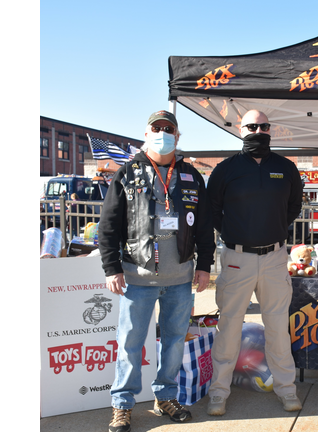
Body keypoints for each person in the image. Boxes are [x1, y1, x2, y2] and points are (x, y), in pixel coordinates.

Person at [98, 110, 215, 432]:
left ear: (177, 137)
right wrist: (111, 267)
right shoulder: (127, 173)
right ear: (146, 134)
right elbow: (108, 226)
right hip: (138, 277)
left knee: (175, 340)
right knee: (130, 343)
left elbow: (205, 226)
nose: (162, 132)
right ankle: (122, 404)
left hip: (180, 278)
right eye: (157, 128)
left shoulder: (191, 175)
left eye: (169, 129)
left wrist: (204, 266)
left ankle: (165, 396)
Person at [205, 109, 304, 415]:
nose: (258, 130)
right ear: (240, 128)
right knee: (229, 327)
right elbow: (213, 211)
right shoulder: (225, 169)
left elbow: (293, 207)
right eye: (252, 126)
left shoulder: (286, 167)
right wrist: (238, 234)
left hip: (275, 258)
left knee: (277, 327)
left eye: (263, 126)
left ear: (269, 130)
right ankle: (219, 392)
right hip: (237, 258)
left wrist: (269, 231)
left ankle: (287, 390)